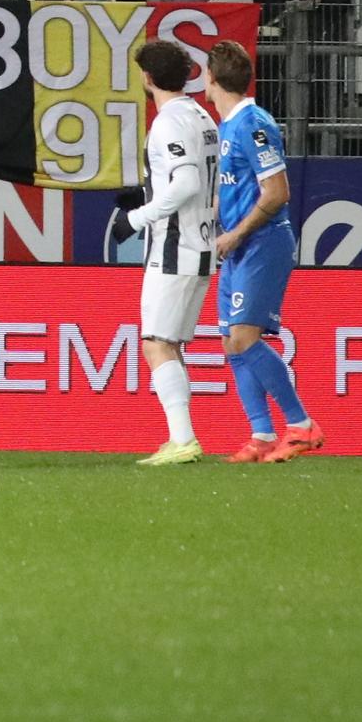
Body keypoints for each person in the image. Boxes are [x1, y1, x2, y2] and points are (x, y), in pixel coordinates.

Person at [203, 40, 322, 461]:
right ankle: (261, 435)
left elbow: (276, 192)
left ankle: (302, 425)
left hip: (263, 241)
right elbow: (234, 189)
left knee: (244, 338)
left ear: (209, 79)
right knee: (231, 344)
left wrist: (237, 234)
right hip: (238, 246)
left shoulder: (254, 125)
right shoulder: (228, 127)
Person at [122, 37, 220, 469]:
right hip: (200, 243)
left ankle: (183, 440)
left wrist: (139, 215)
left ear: (147, 78)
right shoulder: (201, 115)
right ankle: (180, 437)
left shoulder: (169, 123)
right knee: (169, 343)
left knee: (155, 343)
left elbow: (186, 184)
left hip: (175, 245)